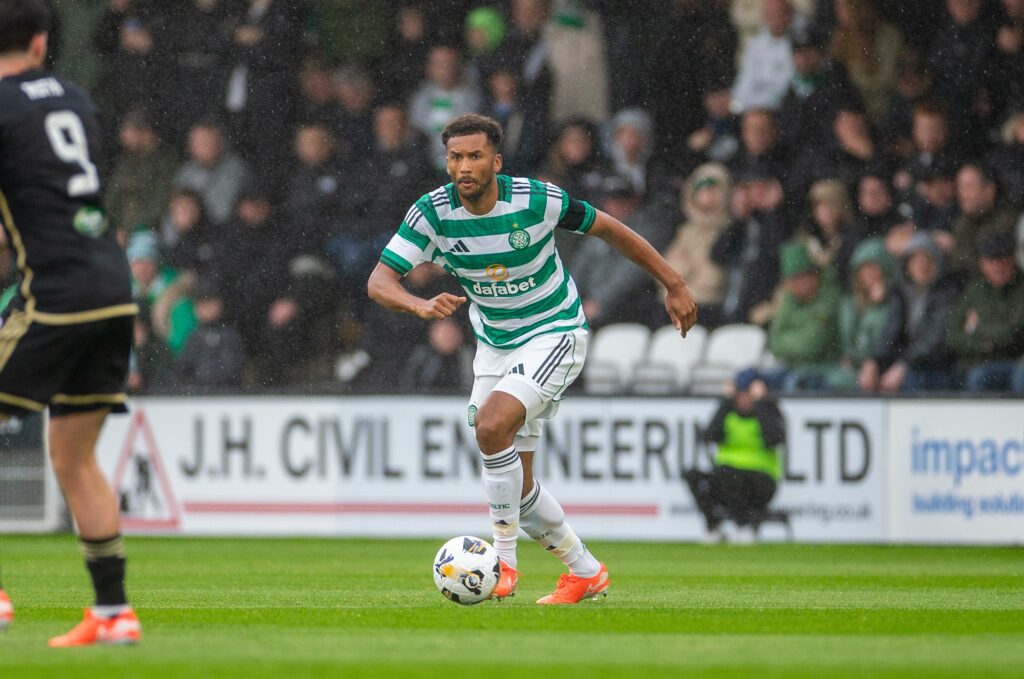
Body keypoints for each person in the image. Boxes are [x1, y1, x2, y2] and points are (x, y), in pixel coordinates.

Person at [367, 114, 697, 604]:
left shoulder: (536, 198)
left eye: (475, 156)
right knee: (517, 486)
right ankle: (585, 571)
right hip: (496, 344)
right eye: (455, 157)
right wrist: (420, 305)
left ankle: (503, 565)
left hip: (555, 331)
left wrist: (673, 282)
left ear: (495, 161)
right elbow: (379, 281)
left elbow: (610, 230)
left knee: (491, 425)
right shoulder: (432, 212)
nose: (464, 166)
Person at [0, 0, 141, 645]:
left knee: (72, 453)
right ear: (39, 43)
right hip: (113, 287)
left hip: (55, 292)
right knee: (74, 455)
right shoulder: (76, 98)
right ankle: (114, 614)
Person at [686, 368, 785, 543]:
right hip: (728, 475)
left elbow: (773, 439)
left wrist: (761, 403)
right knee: (693, 476)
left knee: (730, 476)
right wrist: (725, 402)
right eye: (739, 393)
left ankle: (744, 526)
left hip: (761, 478)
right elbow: (709, 436)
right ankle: (713, 526)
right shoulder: (728, 411)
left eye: (747, 393)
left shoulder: (769, 411)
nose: (743, 398)